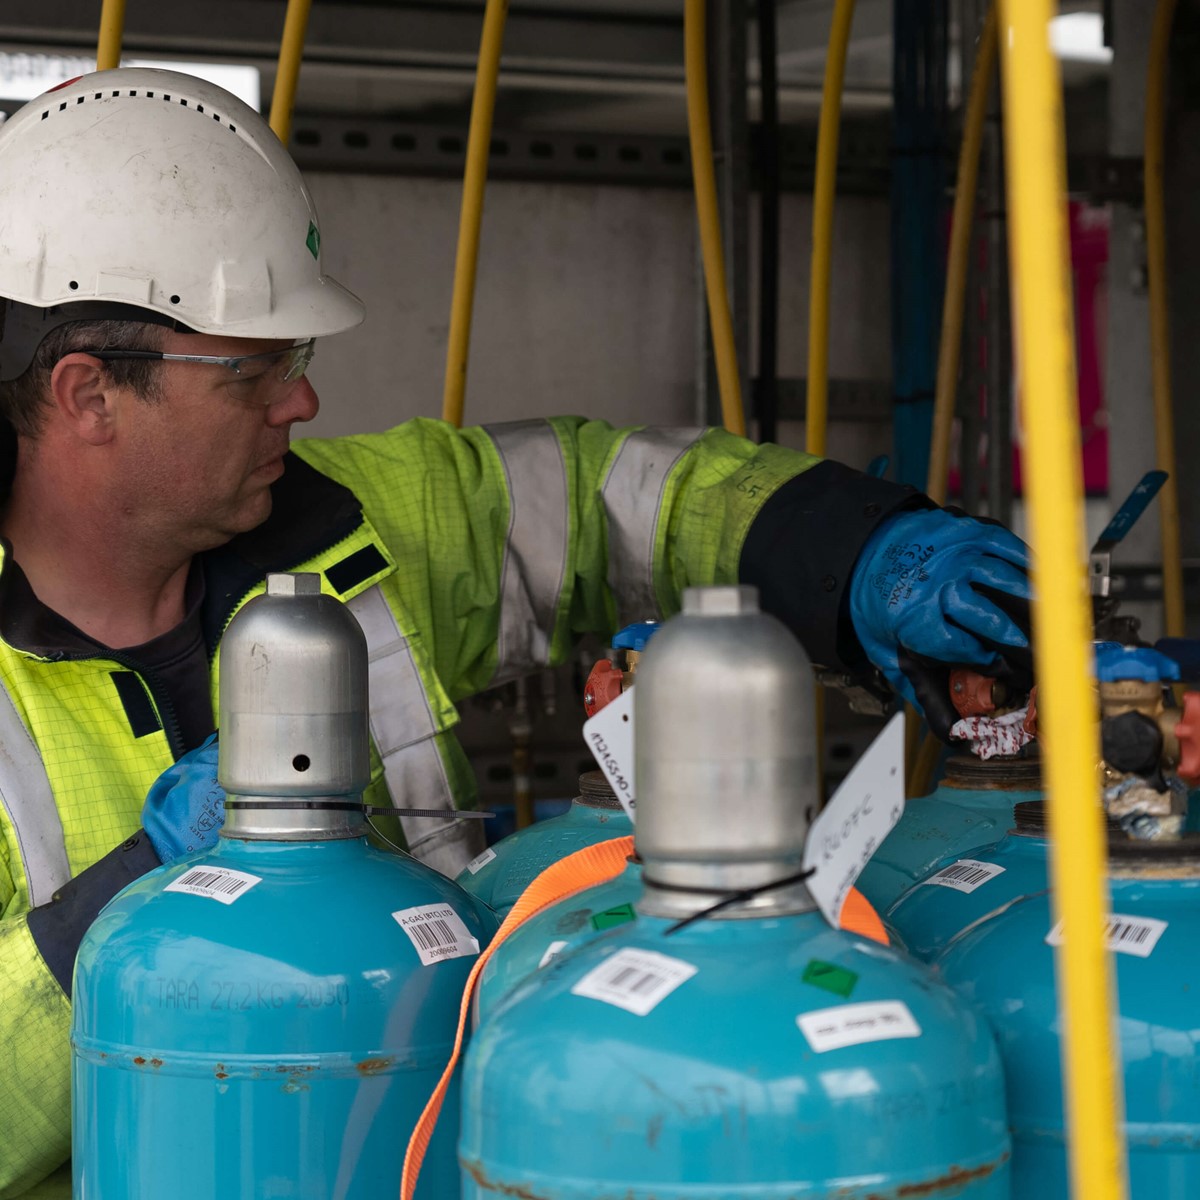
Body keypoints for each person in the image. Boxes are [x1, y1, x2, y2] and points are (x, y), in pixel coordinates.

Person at [0, 68, 1032, 1196]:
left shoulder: (353, 524)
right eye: (258, 369)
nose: (300, 403)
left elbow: (610, 494)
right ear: (89, 393)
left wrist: (859, 554)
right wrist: (139, 900)